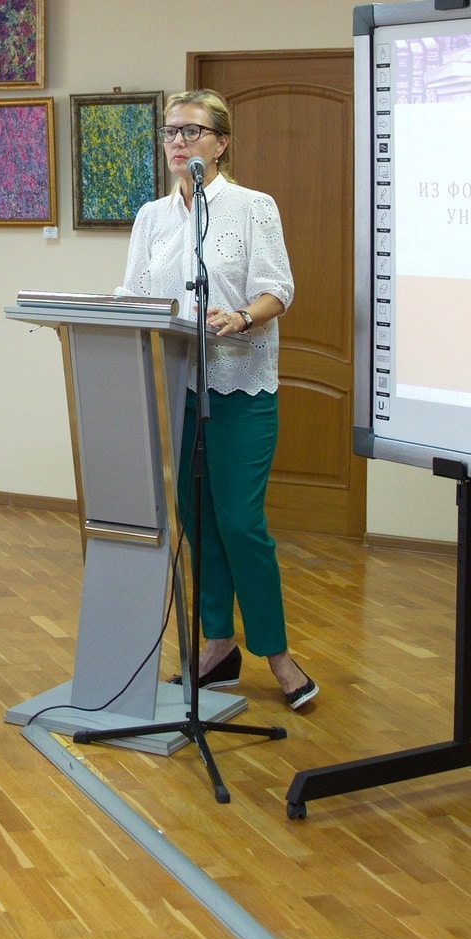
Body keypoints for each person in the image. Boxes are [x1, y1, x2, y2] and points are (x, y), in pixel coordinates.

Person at [118, 90, 315, 711]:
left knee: (239, 522)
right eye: (170, 131)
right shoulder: (151, 217)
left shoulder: (252, 207)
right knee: (197, 520)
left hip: (240, 387)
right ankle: (218, 644)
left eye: (191, 131)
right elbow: (135, 294)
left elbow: (278, 289)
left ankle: (276, 652)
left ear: (221, 142)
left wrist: (243, 317)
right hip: (176, 387)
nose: (177, 142)